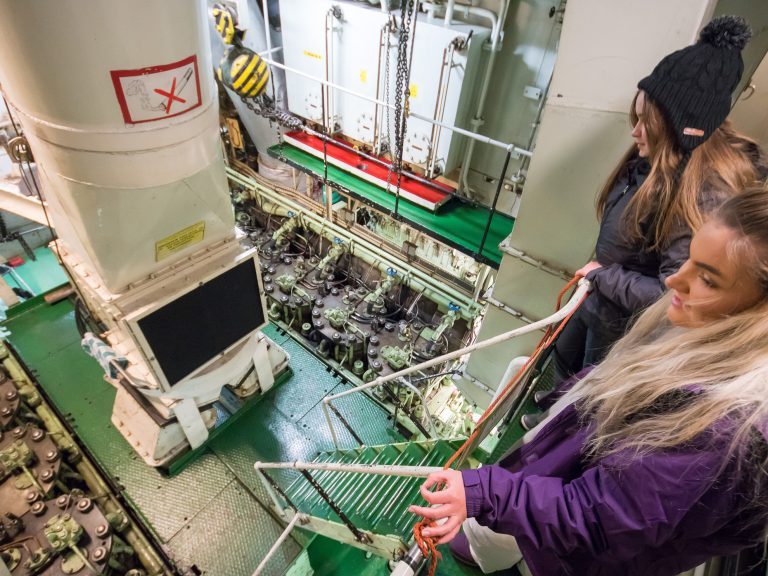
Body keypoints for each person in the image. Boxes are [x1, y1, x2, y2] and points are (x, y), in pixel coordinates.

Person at [409, 186, 768, 575]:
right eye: (690, 260)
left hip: (578, 555)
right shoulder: (709, 338)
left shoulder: (722, 430)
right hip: (574, 492)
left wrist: (485, 494)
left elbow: (599, 519)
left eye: (708, 279)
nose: (674, 281)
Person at [550, 15, 766, 392]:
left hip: (621, 323)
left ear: (680, 127)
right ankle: (553, 400)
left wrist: (604, 277)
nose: (634, 132)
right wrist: (601, 278)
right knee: (564, 361)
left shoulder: (702, 195)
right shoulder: (657, 161)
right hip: (601, 300)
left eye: (646, 122)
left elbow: (673, 293)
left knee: (588, 389)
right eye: (637, 116)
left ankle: (561, 407)